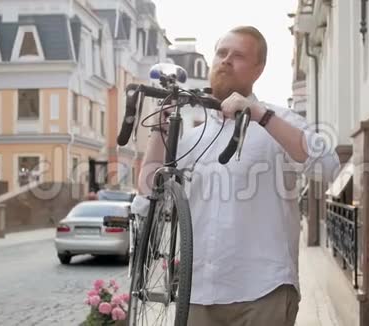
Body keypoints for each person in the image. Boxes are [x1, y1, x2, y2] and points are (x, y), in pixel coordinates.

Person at [135, 26, 340, 326]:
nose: (226, 60)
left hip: (263, 291)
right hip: (198, 294)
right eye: (221, 53)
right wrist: (160, 128)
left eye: (239, 55)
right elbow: (149, 189)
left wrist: (259, 115)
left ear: (259, 69)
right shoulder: (193, 137)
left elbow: (328, 166)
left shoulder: (279, 120)